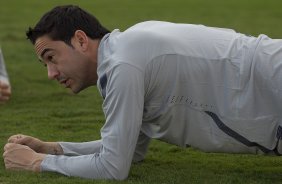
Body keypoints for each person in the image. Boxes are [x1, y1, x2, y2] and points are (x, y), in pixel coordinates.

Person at [3, 4, 282, 180]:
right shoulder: (127, 48)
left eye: (52, 57)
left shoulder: (123, 64)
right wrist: (55, 149)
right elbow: (128, 150)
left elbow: (113, 167)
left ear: (80, 40)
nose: (51, 73)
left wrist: (39, 163)